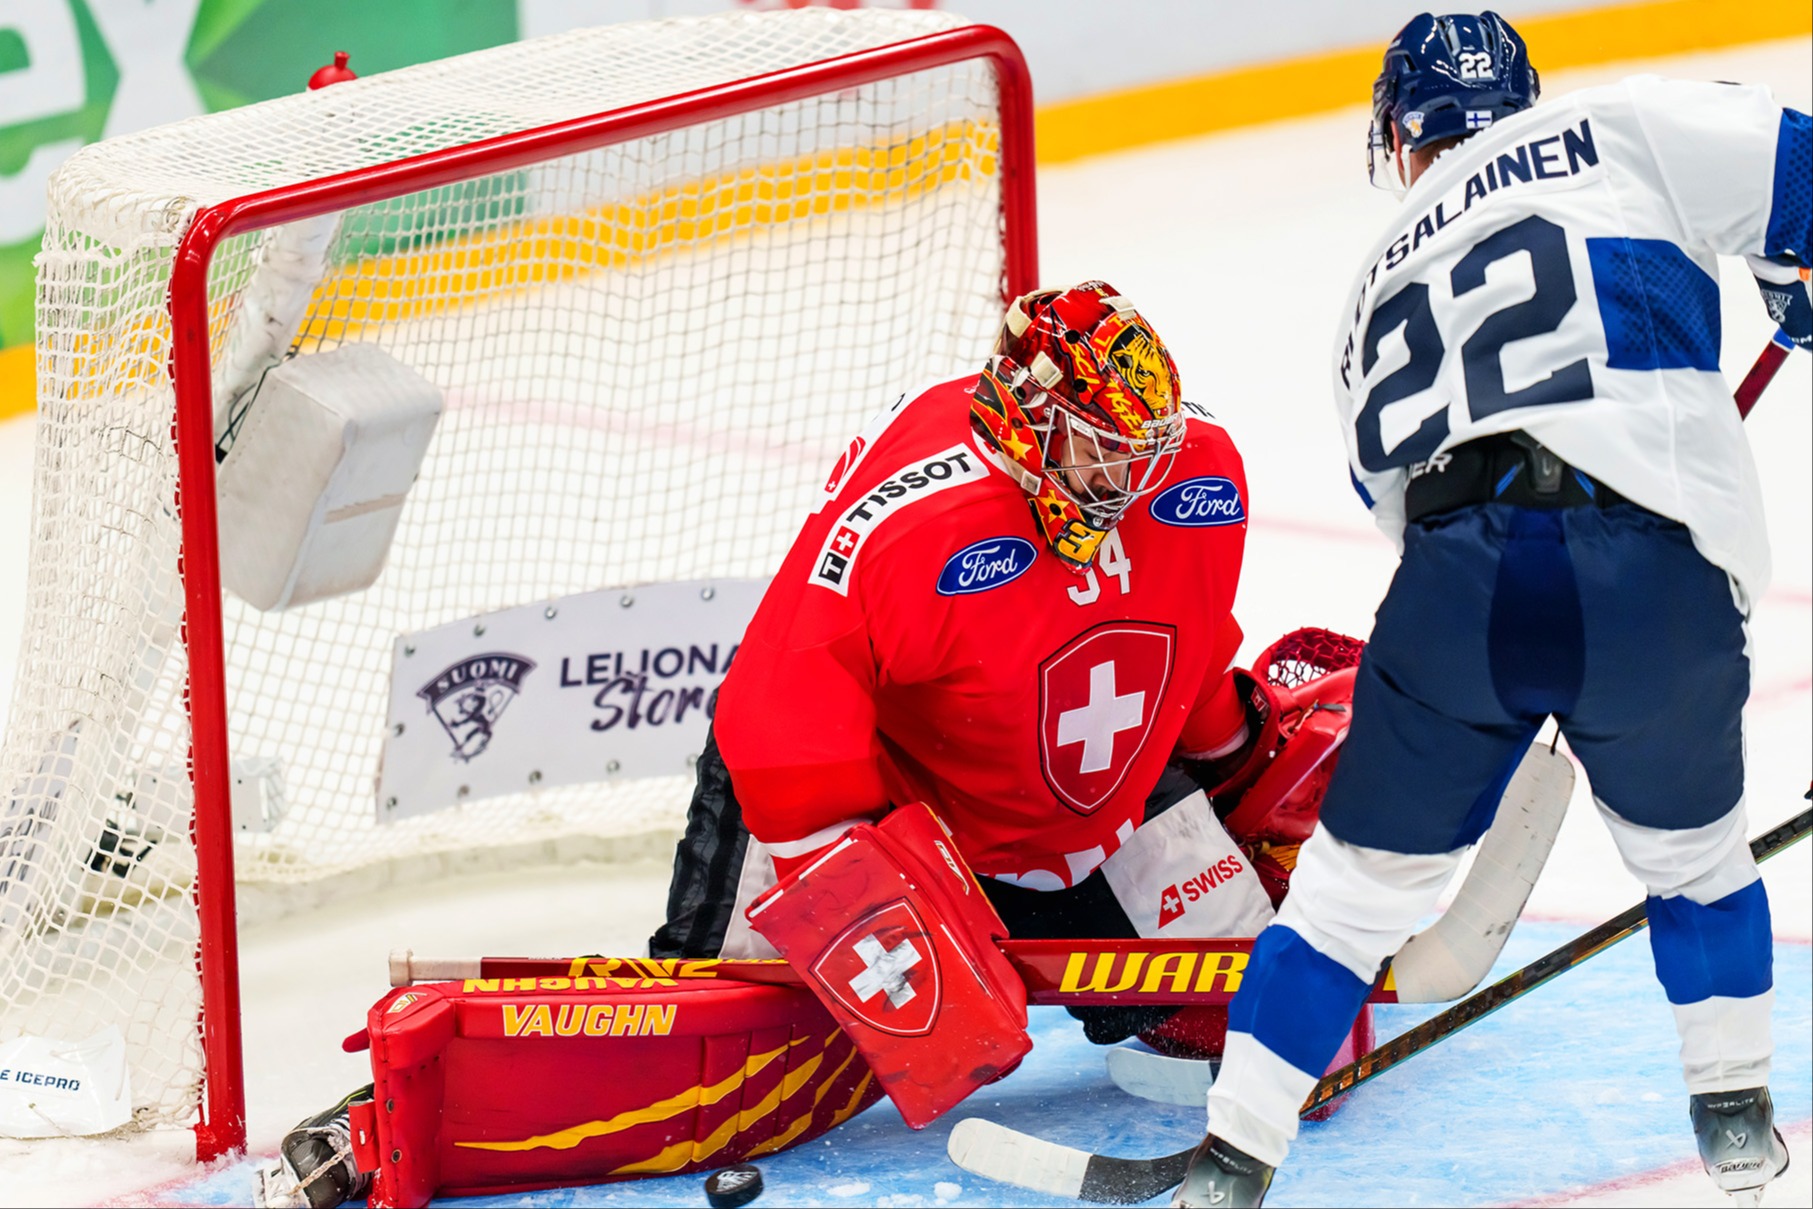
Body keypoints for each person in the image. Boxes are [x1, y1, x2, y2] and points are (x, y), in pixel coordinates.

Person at [257, 282, 1368, 1208]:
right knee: (728, 1065)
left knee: (1277, 1026)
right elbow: (779, 713)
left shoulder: (1201, 480)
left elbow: (1174, 661)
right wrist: (858, 911)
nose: (1124, 485)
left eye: (1142, 452)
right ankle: (387, 1122)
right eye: (1094, 454)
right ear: (1028, 424)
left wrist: (1236, 765)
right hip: (868, 806)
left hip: (1071, 809)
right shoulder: (912, 518)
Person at [1176, 12, 1810, 1208]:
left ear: (1400, 138)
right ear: (1525, 94)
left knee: (1345, 901)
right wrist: (1789, 273)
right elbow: (1803, 170)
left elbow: (1395, 506)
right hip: (1649, 578)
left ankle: (1235, 1150)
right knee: (1695, 865)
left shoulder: (1365, 299)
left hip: (1453, 595)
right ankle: (1731, 1112)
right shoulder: (1623, 127)